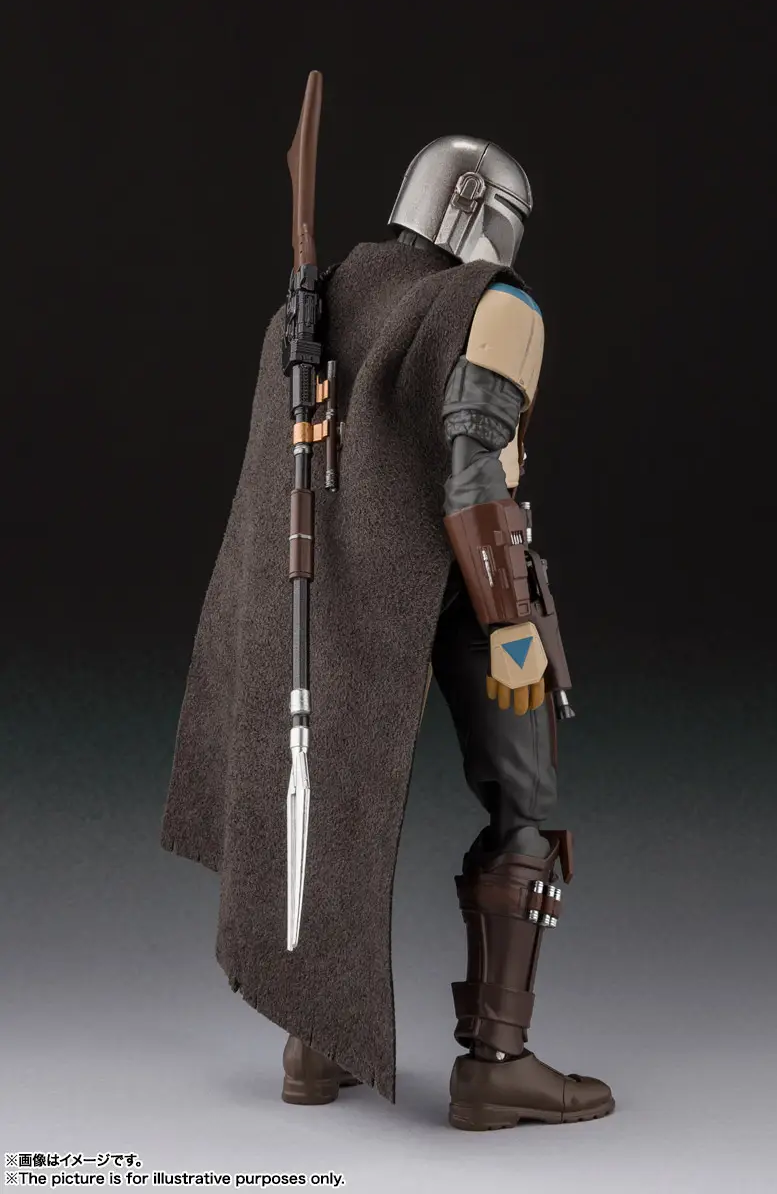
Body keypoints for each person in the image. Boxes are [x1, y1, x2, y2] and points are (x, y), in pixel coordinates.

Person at [162, 135, 614, 1131]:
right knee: (524, 805)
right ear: (477, 209)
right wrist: (511, 629)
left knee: (326, 792)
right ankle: (495, 1064)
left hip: (332, 594)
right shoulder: (491, 305)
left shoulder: (320, 297)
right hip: (459, 586)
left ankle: (312, 1041)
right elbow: (474, 481)